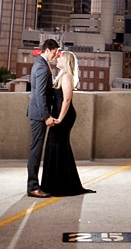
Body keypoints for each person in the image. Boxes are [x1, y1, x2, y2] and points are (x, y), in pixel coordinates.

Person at [39, 48, 93, 196]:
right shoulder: (62, 76)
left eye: (60, 58)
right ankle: (60, 183)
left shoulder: (67, 76)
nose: (57, 59)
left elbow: (67, 99)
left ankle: (58, 185)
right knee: (58, 146)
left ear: (67, 61)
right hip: (60, 115)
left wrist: (61, 118)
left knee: (56, 144)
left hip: (64, 116)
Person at [25, 39, 61, 197]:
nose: (55, 55)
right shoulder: (41, 66)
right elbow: (39, 95)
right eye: (54, 52)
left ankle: (35, 185)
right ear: (48, 50)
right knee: (36, 151)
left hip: (38, 114)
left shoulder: (42, 64)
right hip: (39, 116)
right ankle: (33, 187)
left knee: (37, 150)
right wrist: (46, 116)